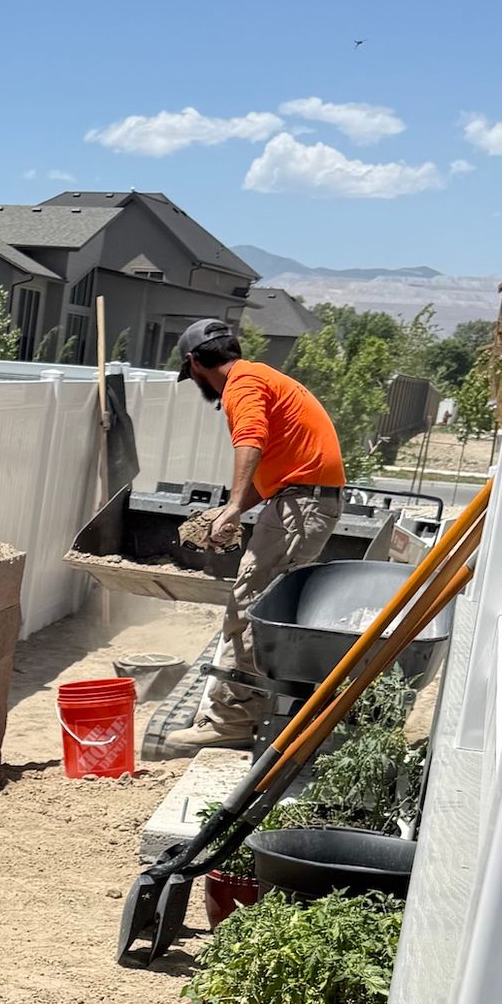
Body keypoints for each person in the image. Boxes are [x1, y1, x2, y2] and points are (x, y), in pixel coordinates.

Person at [166, 317, 346, 750]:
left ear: (194, 363)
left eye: (191, 375)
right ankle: (258, 711)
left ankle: (230, 721)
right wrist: (231, 512)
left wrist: (231, 505)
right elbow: (274, 477)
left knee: (250, 605)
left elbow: (251, 439)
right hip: (301, 499)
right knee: (267, 607)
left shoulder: (241, 385)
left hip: (301, 505)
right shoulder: (262, 376)